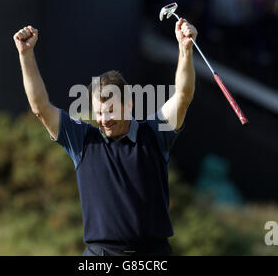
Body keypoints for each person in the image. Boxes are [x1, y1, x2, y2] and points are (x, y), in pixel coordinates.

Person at [13, 18, 197, 256]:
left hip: (153, 255)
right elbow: (40, 108)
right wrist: (26, 56)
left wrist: (185, 50)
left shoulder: (154, 132)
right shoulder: (82, 140)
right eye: (99, 112)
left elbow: (183, 95)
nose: (104, 118)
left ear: (129, 103)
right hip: (101, 255)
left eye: (110, 109)